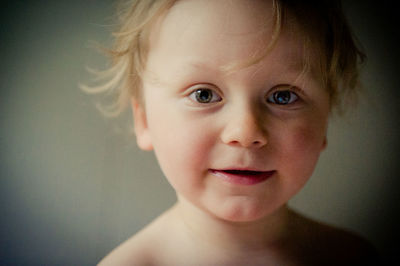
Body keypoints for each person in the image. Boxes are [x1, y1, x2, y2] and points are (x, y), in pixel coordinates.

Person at [84, 0, 378, 265]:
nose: (245, 131)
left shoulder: (351, 254)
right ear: (144, 120)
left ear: (324, 121)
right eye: (203, 95)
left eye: (283, 96)